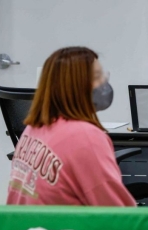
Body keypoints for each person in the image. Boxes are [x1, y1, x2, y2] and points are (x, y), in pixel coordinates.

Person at [7, 46, 135, 206]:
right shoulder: (86, 136)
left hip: (21, 228)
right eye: (97, 76)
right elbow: (115, 211)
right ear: (75, 86)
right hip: (61, 229)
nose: (104, 82)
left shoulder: (32, 129)